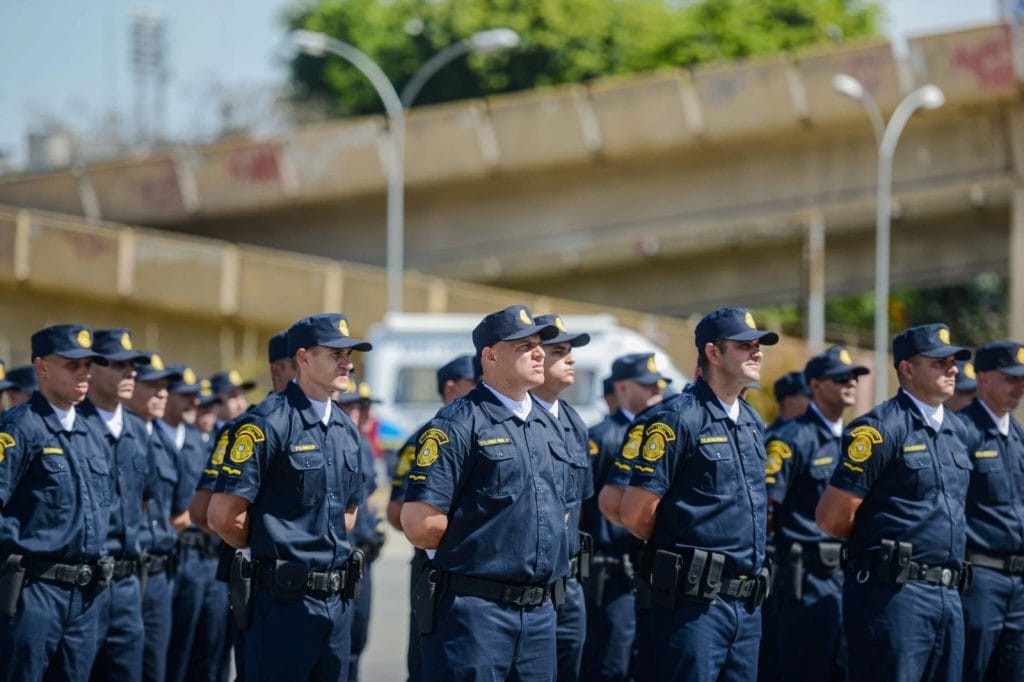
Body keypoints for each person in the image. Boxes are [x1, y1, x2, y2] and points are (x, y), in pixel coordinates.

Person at [400, 305, 570, 681]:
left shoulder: (550, 425)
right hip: (476, 614)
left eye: (539, 344)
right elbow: (420, 523)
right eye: (524, 346)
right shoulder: (458, 423)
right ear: (490, 357)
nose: (539, 352)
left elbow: (562, 509)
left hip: (540, 615)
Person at [208, 313, 370, 681]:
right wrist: (273, 549)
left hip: (336, 602)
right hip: (281, 606)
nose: (347, 362)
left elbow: (348, 513)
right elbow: (223, 516)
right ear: (303, 358)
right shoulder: (267, 423)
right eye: (335, 353)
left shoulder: (346, 429)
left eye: (350, 354)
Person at [620, 307, 777, 681]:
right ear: (713, 352)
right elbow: (636, 512)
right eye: (744, 346)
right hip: (694, 606)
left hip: (746, 604)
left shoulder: (752, 422)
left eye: (758, 345)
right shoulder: (678, 419)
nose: (756, 352)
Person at [816, 323, 973, 682]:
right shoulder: (879, 428)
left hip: (948, 594)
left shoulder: (957, 431)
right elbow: (832, 517)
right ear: (907, 369)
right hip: (894, 595)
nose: (953, 369)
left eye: (953, 361)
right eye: (939, 363)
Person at [0, 324, 113, 682]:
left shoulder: (93, 433)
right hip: (34, 592)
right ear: (41, 367)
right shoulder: (20, 428)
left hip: (86, 596)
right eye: (71, 364)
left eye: (88, 366)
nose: (84, 373)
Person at [764, 346, 869, 681]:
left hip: (849, 575)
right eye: (840, 377)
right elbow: (765, 510)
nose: (850, 383)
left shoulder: (858, 439)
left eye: (854, 376)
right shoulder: (791, 440)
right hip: (805, 580)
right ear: (816, 385)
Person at [387, 353, 477, 682]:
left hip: (477, 575)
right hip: (433, 567)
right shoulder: (427, 439)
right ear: (452, 388)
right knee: (429, 659)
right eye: (475, 382)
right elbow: (397, 513)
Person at [587, 352, 671, 682]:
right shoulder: (602, 436)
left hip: (650, 572)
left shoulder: (662, 431)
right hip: (610, 573)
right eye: (647, 386)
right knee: (610, 664)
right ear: (622, 388)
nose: (656, 393)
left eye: (659, 386)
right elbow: (581, 505)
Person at [79, 328, 152, 682]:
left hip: (125, 584)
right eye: (120, 365)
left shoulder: (139, 432)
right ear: (92, 369)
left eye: (134, 366)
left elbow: (145, 499)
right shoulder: (75, 425)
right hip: (84, 585)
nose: (131, 373)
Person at [531, 314, 594, 682]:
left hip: (568, 585)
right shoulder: (513, 423)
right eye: (559, 352)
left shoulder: (573, 422)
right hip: (527, 587)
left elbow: (578, 505)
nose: (570, 359)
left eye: (570, 351)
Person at [957, 341, 1024, 681]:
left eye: (1023, 380)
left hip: (1018, 582)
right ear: (982, 378)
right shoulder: (962, 431)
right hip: (981, 579)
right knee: (973, 671)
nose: (1019, 387)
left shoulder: (1018, 437)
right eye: (1010, 378)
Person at [161, 366, 229, 682]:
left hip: (208, 555)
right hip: (180, 554)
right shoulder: (166, 439)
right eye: (187, 398)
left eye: (200, 401)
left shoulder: (206, 442)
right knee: (178, 650)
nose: (197, 406)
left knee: (211, 646)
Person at [126, 353, 182, 682]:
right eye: (152, 386)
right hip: (127, 571)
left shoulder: (164, 442)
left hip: (160, 572)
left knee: (155, 669)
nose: (162, 393)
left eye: (165, 387)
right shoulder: (115, 438)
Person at [336, 382, 386, 682]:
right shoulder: (338, 442)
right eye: (356, 405)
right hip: (342, 558)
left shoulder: (363, 443)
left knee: (357, 639)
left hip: (362, 558)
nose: (365, 411)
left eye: (367, 405)